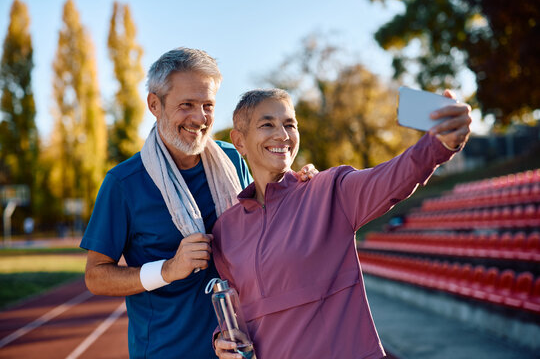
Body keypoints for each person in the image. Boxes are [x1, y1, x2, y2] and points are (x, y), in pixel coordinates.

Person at [80, 48, 316, 358]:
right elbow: (96, 276)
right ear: (154, 104)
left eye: (207, 105)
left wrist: (303, 187)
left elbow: (269, 218)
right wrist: (168, 269)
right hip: (167, 351)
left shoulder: (234, 159)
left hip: (241, 345)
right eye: (186, 105)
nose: (199, 118)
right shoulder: (123, 183)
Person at [212, 88, 471, 359]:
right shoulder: (225, 230)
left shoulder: (328, 190)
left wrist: (439, 144)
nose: (283, 135)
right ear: (239, 141)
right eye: (267, 125)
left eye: (290, 124)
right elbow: (235, 311)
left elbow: (393, 177)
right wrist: (222, 338)